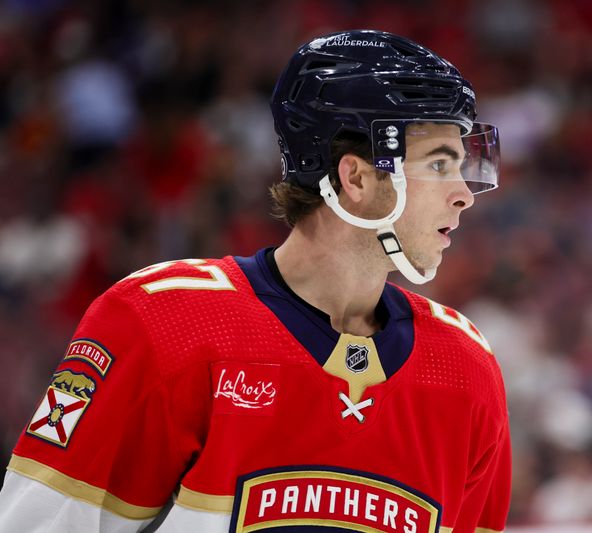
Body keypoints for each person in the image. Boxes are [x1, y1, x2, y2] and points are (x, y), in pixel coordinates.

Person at [0, 29, 510, 532]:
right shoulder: (162, 322)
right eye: (440, 163)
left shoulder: (465, 369)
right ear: (354, 178)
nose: (464, 193)